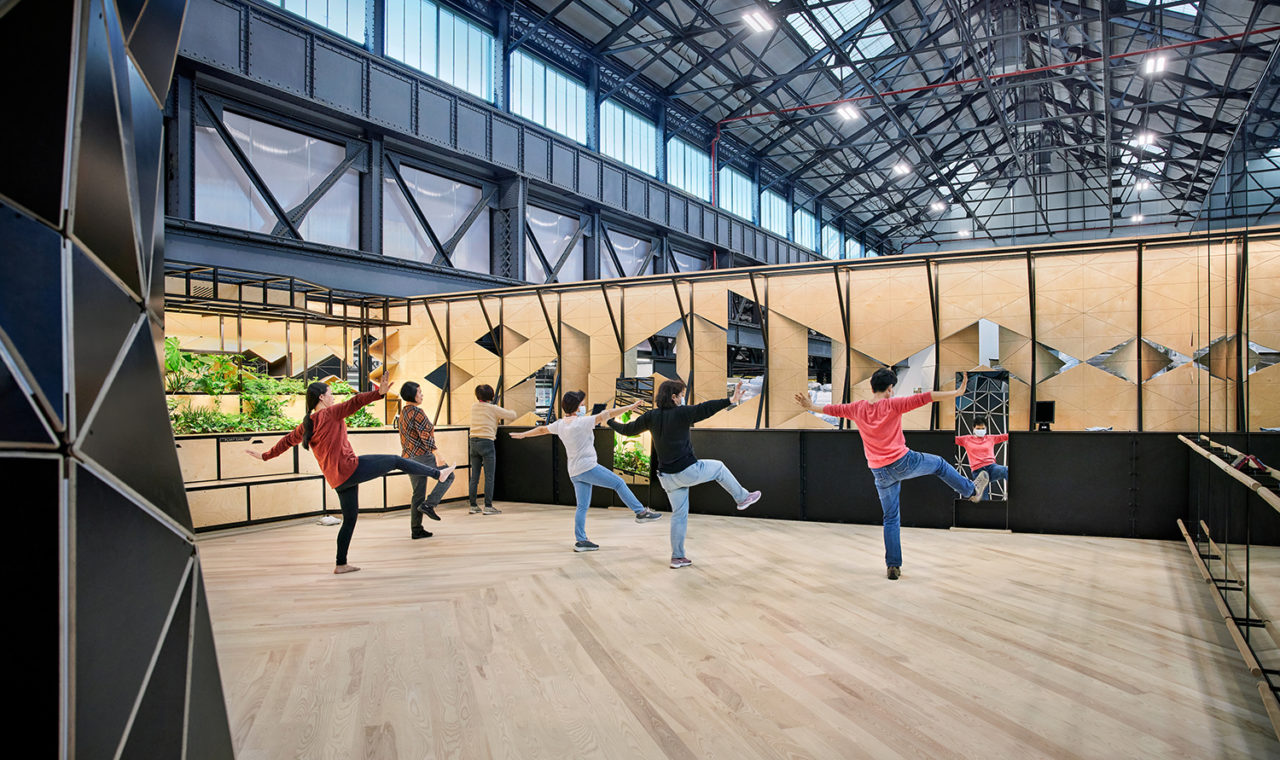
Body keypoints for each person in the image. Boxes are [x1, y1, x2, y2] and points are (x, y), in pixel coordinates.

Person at [246, 375, 455, 574]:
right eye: (330, 393)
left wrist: (265, 456)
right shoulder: (329, 413)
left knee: (349, 519)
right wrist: (378, 394)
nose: (333, 397)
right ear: (321, 397)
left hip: (337, 479)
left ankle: (341, 564)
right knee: (395, 460)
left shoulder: (307, 423)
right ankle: (438, 474)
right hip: (349, 469)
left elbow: (287, 441)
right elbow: (354, 403)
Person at [795, 369, 987, 581]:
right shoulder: (893, 404)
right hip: (903, 462)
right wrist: (957, 393)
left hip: (879, 472)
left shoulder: (857, 408)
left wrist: (810, 406)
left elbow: (832, 409)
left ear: (871, 388)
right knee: (940, 464)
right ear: (889, 389)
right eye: (891, 389)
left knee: (891, 517)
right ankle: (971, 490)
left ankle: (893, 566)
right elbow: (927, 397)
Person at [607, 378, 761, 569]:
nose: (682, 399)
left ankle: (678, 557)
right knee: (719, 467)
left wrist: (609, 421)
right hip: (687, 471)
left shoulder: (651, 416)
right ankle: (742, 498)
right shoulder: (682, 413)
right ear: (674, 397)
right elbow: (705, 409)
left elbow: (628, 430)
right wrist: (730, 400)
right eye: (681, 395)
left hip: (666, 478)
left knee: (679, 515)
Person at [510, 391, 662, 552]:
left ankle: (581, 541)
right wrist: (631, 406)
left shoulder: (560, 424)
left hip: (574, 472)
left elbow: (541, 430)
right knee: (618, 483)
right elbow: (608, 414)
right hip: (588, 467)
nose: (584, 407)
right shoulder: (583, 422)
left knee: (582, 507)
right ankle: (640, 512)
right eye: (582, 405)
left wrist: (523, 435)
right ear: (576, 407)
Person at [398, 381, 456, 540]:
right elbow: (425, 436)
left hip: (408, 457)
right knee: (448, 476)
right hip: (422, 455)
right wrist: (437, 454)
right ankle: (429, 505)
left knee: (418, 494)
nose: (422, 395)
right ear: (412, 395)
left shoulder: (403, 412)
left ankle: (416, 529)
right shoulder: (417, 412)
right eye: (419, 392)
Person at [468, 384, 517, 515]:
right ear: (492, 396)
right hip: (487, 442)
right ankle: (488, 506)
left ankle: (473, 505)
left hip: (473, 441)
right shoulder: (493, 408)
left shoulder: (474, 407)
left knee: (475, 476)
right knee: (489, 476)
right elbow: (512, 415)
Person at [955, 419, 1009, 500]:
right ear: (973, 428)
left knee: (1006, 470)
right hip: (978, 471)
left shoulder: (991, 438)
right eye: (978, 428)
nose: (981, 430)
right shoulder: (966, 439)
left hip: (991, 468)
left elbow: (1006, 436)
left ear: (986, 428)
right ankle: (974, 491)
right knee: (983, 499)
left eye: (983, 428)